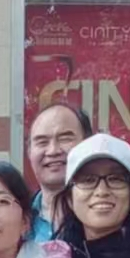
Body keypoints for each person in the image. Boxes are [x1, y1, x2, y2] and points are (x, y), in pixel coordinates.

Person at [25, 102, 87, 238]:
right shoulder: (18, 219)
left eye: (65, 139)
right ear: (29, 152)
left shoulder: (104, 218)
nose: (53, 151)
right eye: (42, 142)